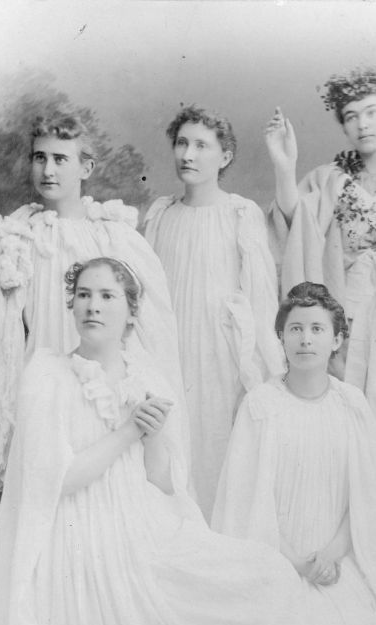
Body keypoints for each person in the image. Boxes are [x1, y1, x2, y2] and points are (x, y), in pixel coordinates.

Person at [0, 259, 331, 625]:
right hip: (79, 534)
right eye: (84, 294)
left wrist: (152, 435)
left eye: (108, 296)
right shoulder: (48, 375)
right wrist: (129, 429)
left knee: (268, 573)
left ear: (131, 312)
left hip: (142, 520)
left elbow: (163, 481)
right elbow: (59, 481)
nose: (93, 306)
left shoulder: (147, 375)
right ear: (71, 305)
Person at [0, 114, 187, 625]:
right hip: (34, 392)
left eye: (61, 159)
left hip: (98, 397)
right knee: (22, 522)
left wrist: (132, 398)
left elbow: (145, 330)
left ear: (86, 168)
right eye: (40, 157)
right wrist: (3, 413)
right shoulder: (16, 240)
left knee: (92, 524)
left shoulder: (113, 239)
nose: (48, 169)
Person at [212, 282, 376, 625]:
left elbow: (367, 500)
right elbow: (248, 502)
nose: (305, 339)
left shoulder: (352, 405)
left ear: (337, 339)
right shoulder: (261, 405)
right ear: (281, 337)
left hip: (336, 559)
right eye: (296, 329)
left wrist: (330, 555)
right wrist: (295, 563)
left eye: (317, 329)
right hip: (278, 558)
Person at [264, 65, 376, 450]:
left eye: (372, 112)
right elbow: (296, 225)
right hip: (342, 322)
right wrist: (285, 167)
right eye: (351, 116)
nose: (362, 124)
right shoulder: (328, 180)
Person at [143, 104, 283, 518]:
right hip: (168, 351)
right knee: (170, 451)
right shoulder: (160, 214)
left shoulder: (240, 214)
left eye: (201, 146)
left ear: (224, 157)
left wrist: (259, 373)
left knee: (216, 453)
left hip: (219, 356)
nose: (188, 154)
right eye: (182, 143)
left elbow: (261, 301)